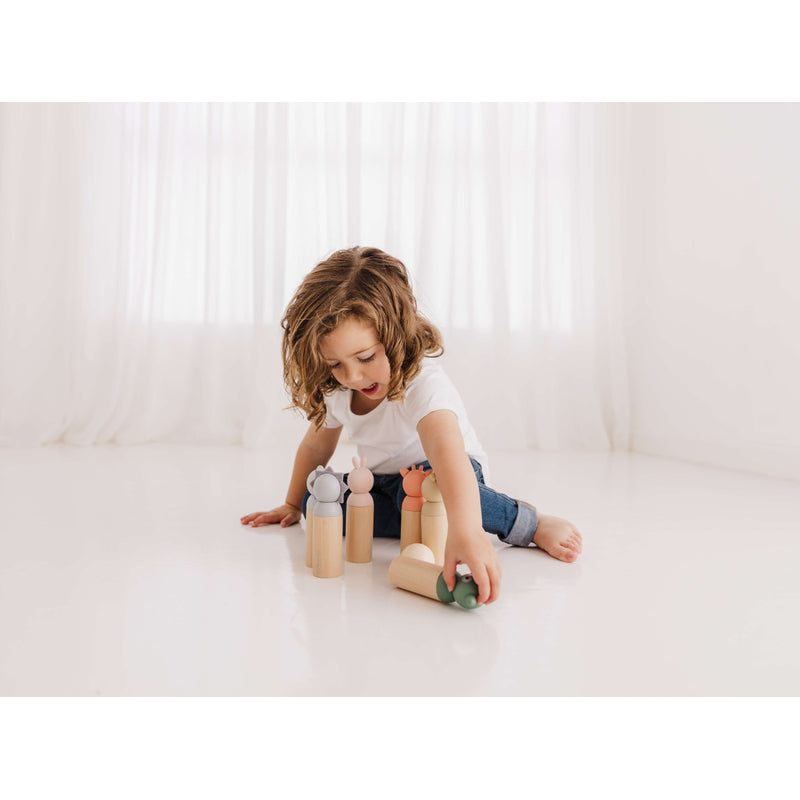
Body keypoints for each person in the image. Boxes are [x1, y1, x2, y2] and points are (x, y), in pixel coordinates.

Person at [240, 246, 582, 604]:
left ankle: (528, 522)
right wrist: (293, 503)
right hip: (386, 485)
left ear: (395, 333)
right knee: (319, 499)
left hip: (444, 476)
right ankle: (420, 524)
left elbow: (447, 454)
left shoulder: (423, 383)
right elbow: (315, 447)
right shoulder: (340, 391)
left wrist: (466, 532)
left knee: (425, 490)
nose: (353, 376)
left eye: (366, 357)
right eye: (336, 365)